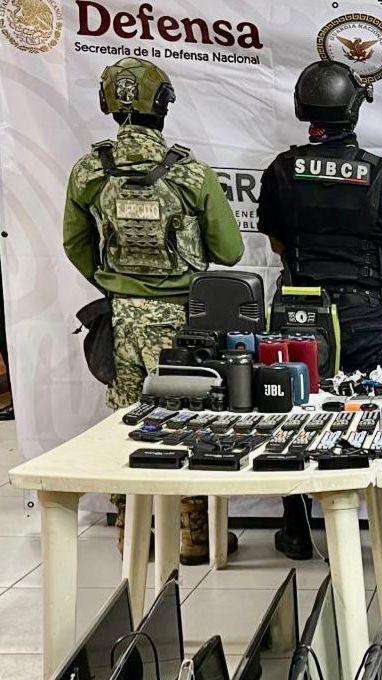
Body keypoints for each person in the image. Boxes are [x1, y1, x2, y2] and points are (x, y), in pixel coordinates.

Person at [63, 57, 244, 564]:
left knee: (125, 423)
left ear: (108, 105)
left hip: (120, 321)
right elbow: (229, 252)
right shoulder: (190, 172)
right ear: (163, 106)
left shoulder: (89, 170)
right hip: (182, 323)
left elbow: (75, 243)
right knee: (188, 420)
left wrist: (116, 284)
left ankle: (131, 534)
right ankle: (191, 535)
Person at [257, 60, 382, 559]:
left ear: (304, 109)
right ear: (354, 110)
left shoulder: (281, 171)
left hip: (300, 312)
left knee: (292, 413)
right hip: (367, 313)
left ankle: (296, 529)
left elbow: (278, 243)